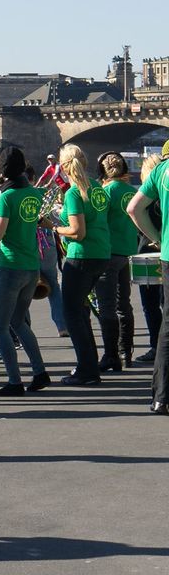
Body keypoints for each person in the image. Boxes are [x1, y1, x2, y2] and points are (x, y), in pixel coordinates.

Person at [0, 147, 51, 396]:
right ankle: (39, 372)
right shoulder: (33, 193)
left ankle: (14, 381)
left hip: (9, 264)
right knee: (19, 322)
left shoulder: (7, 198)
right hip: (30, 265)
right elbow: (40, 222)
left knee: (1, 327)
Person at [54, 143, 110, 386]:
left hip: (81, 255)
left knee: (72, 313)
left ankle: (86, 368)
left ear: (64, 166)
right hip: (101, 253)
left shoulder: (73, 193)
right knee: (81, 311)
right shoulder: (97, 188)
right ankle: (89, 364)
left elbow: (77, 231)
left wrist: (53, 227)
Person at [126, 147, 169, 415]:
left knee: (167, 327)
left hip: (168, 254)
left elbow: (134, 208)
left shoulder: (161, 171)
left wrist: (157, 236)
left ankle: (161, 396)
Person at [96, 151, 138, 370]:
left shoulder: (106, 191)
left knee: (107, 306)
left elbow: (98, 218)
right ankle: (126, 350)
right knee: (124, 304)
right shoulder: (131, 191)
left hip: (109, 251)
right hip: (127, 250)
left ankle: (110, 354)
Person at [133, 154, 163, 365]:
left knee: (150, 304)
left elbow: (133, 212)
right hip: (165, 249)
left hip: (148, 250)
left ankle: (156, 346)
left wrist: (154, 237)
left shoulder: (145, 194)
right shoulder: (164, 192)